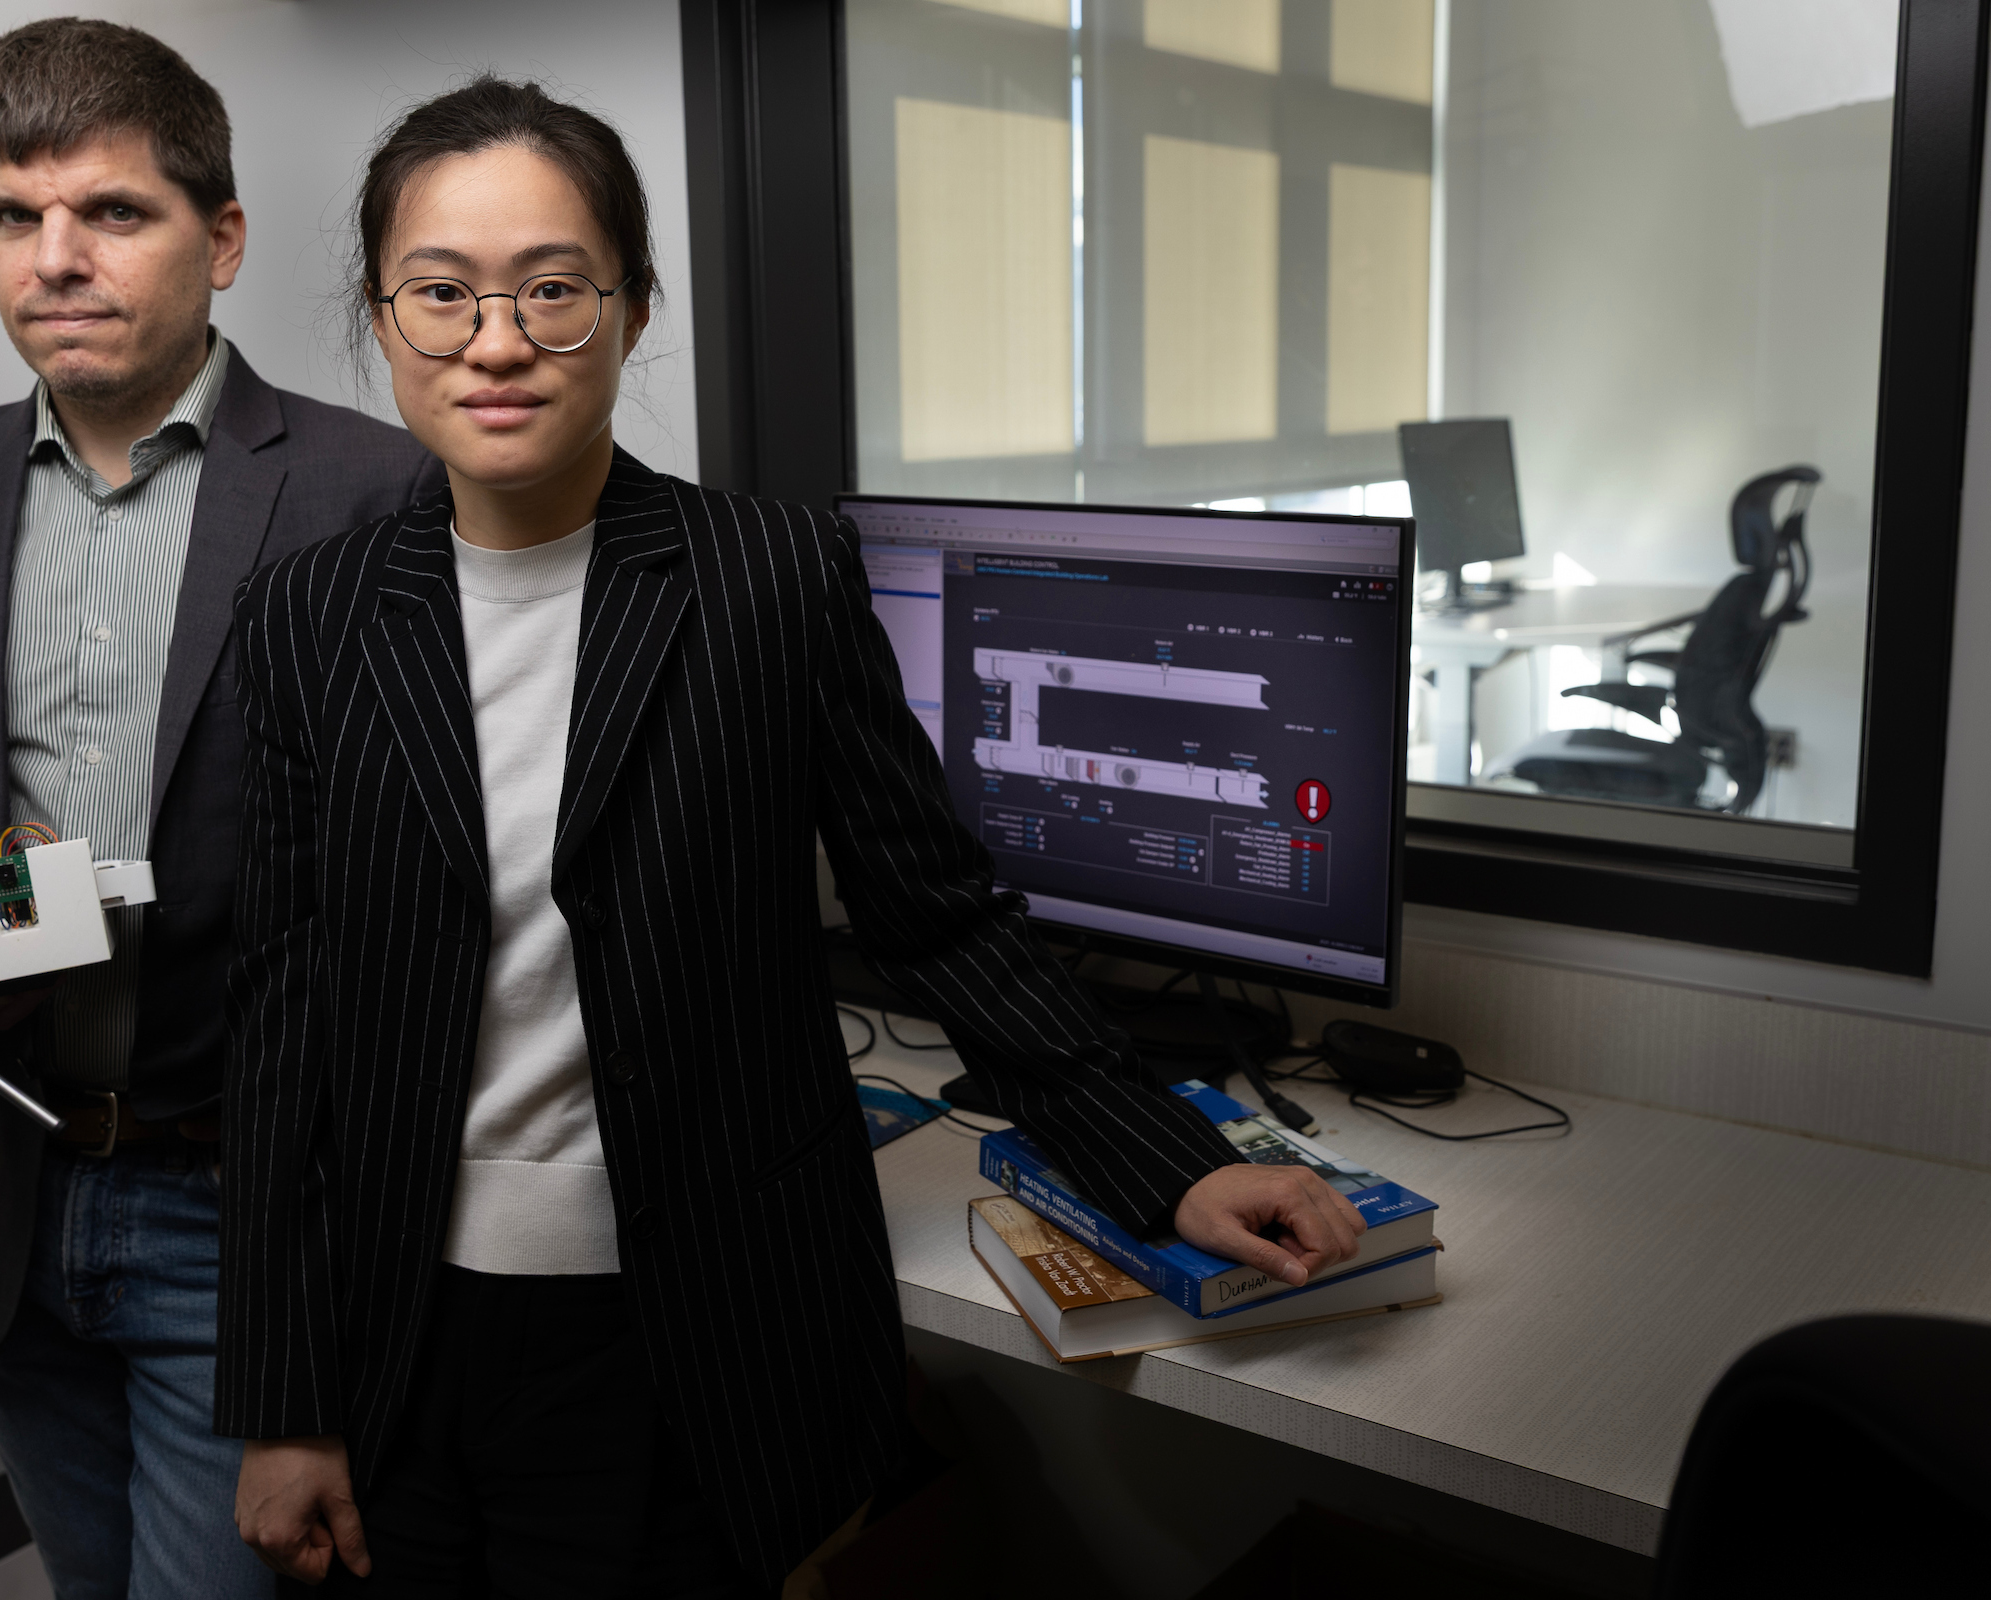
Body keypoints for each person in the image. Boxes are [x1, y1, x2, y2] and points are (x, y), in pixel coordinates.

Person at [220, 77, 1365, 1597]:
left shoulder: (768, 578)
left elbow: (937, 910)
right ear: (382, 320)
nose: (497, 343)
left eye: (554, 290)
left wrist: (1167, 1165)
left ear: (633, 309)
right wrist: (282, 1401)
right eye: (442, 295)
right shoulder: (312, 615)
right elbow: (285, 1018)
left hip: (688, 1320)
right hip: (401, 1333)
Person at [0, 20, 439, 1598]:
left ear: (218, 240)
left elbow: (435, 867)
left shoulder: (378, 491)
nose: (56, 259)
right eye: (15, 219)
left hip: (241, 1211)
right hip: (4, 1195)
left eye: (113, 213)